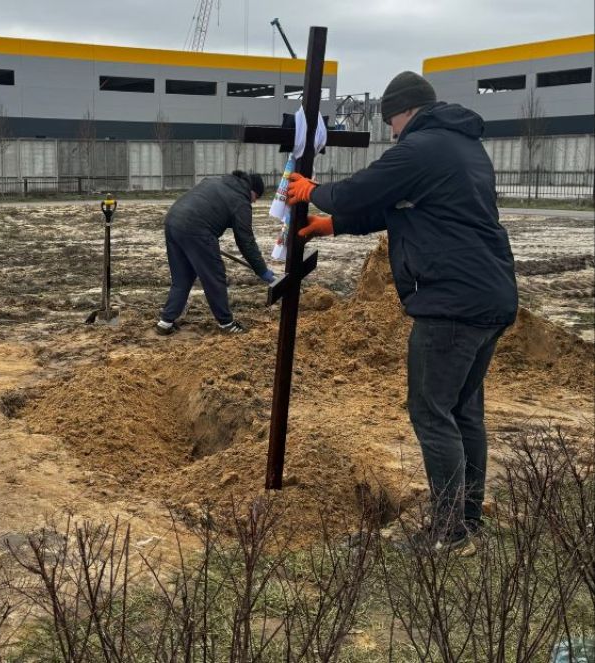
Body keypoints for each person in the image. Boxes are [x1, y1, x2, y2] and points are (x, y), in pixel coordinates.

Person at [286, 71, 518, 553]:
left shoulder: (421, 148)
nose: (390, 131)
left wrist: (314, 191)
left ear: (405, 111)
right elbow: (394, 208)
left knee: (431, 412)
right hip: (489, 296)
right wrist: (332, 226)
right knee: (462, 410)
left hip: (451, 303)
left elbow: (361, 191)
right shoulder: (463, 147)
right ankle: (467, 520)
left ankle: (450, 533)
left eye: (390, 121)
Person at [156, 170, 275, 336]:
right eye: (256, 198)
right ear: (252, 191)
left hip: (172, 221)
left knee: (182, 277)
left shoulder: (216, 181)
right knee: (214, 277)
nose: (254, 202)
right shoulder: (241, 200)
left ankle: (165, 322)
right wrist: (262, 270)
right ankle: (226, 323)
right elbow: (246, 241)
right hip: (196, 229)